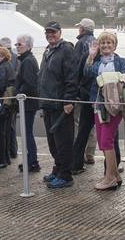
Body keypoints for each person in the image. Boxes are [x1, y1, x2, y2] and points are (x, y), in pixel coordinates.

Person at [84, 32, 125, 190]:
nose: (105, 46)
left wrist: (111, 79)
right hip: (98, 105)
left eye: (109, 43)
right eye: (102, 43)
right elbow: (87, 74)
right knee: (103, 143)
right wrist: (90, 57)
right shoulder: (97, 62)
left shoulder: (120, 61)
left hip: (114, 105)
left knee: (106, 141)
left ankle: (109, 177)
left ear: (114, 45)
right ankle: (115, 174)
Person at [38, 22, 78, 189]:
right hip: (48, 103)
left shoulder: (66, 49)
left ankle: (66, 175)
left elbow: (71, 76)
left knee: (63, 141)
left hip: (61, 105)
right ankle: (58, 168)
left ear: (60, 32)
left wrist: (69, 100)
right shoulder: (48, 50)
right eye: (47, 32)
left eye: (53, 32)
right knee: (53, 141)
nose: (50, 35)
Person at [72, 17, 98, 173]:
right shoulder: (96, 41)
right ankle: (90, 153)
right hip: (94, 90)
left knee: (78, 123)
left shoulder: (80, 43)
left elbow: (77, 66)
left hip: (83, 90)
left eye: (79, 27)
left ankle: (78, 155)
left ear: (82, 29)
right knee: (92, 124)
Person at [14, 34, 40, 173]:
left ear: (28, 46)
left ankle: (32, 162)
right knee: (26, 132)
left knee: (27, 132)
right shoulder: (26, 60)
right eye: (16, 44)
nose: (17, 47)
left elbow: (30, 83)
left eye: (20, 44)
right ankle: (30, 160)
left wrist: (18, 94)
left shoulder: (28, 61)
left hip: (28, 102)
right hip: (28, 101)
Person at [0, 37, 19, 159]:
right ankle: (12, 150)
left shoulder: (6, 59)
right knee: (11, 125)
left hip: (6, 96)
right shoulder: (17, 57)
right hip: (13, 95)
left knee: (7, 126)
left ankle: (8, 152)